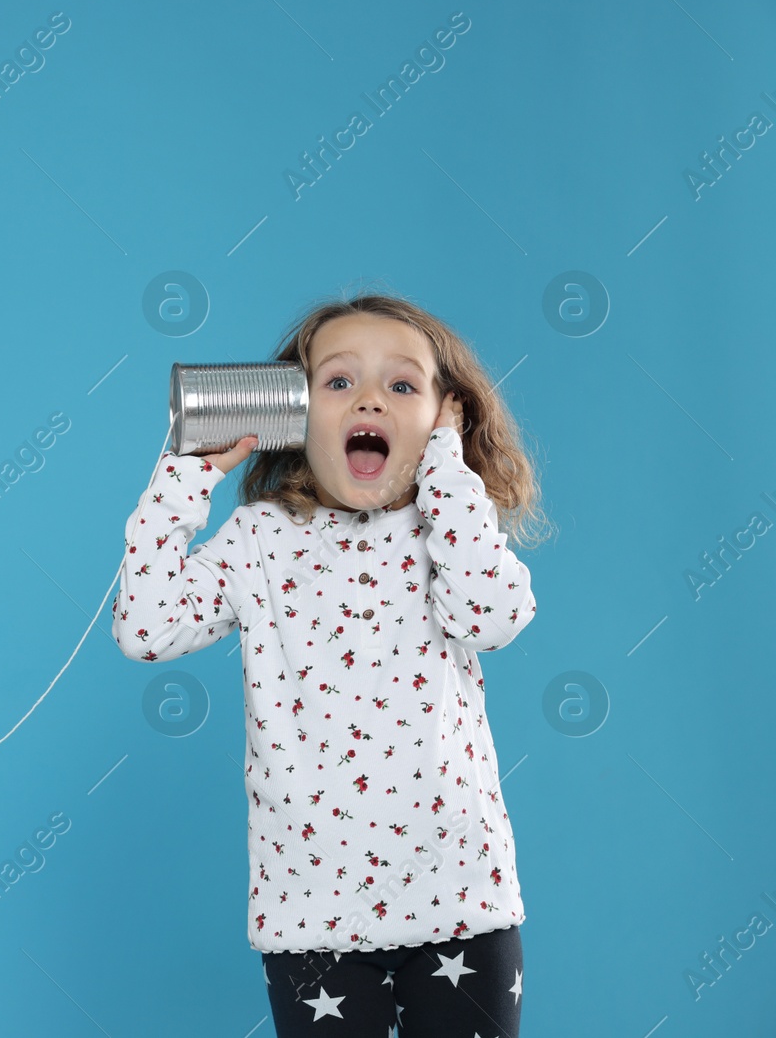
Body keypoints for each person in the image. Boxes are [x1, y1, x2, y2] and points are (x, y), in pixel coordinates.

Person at [113, 292, 552, 1037]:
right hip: (312, 921)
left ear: (448, 418)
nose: (370, 398)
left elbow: (493, 613)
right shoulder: (260, 540)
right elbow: (146, 627)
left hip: (461, 904)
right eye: (339, 382)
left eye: (404, 385)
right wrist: (186, 476)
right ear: (291, 411)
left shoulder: (447, 533)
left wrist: (447, 471)